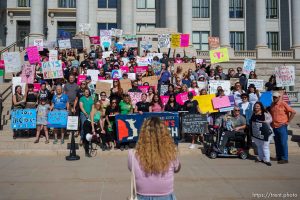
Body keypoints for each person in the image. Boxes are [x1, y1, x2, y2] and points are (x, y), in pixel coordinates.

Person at [128, 117, 180, 199]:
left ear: (142, 134)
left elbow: (132, 169)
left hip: (141, 196)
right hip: (166, 196)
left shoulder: (132, 154)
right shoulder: (171, 152)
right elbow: (177, 169)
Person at [270, 92, 296, 164]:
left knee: (283, 143)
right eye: (273, 97)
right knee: (277, 143)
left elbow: (293, 112)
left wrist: (288, 121)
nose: (274, 98)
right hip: (274, 126)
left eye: (275, 97)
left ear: (279, 97)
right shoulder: (272, 104)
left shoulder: (283, 103)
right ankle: (278, 157)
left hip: (282, 126)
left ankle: (285, 158)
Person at [250, 102, 273, 166]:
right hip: (256, 133)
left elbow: (270, 119)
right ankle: (260, 158)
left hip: (265, 132)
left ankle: (267, 160)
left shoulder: (265, 113)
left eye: (258, 106)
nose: (256, 107)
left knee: (265, 146)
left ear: (260, 107)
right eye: (255, 106)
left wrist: (265, 122)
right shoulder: (253, 113)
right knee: (259, 146)